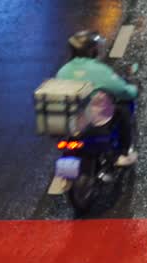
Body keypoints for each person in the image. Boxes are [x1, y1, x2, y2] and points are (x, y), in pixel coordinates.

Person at [56, 30, 139, 167]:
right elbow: (122, 90)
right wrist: (133, 90)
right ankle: (121, 154)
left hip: (69, 124)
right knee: (124, 109)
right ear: (91, 51)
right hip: (93, 122)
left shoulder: (63, 70)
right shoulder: (99, 70)